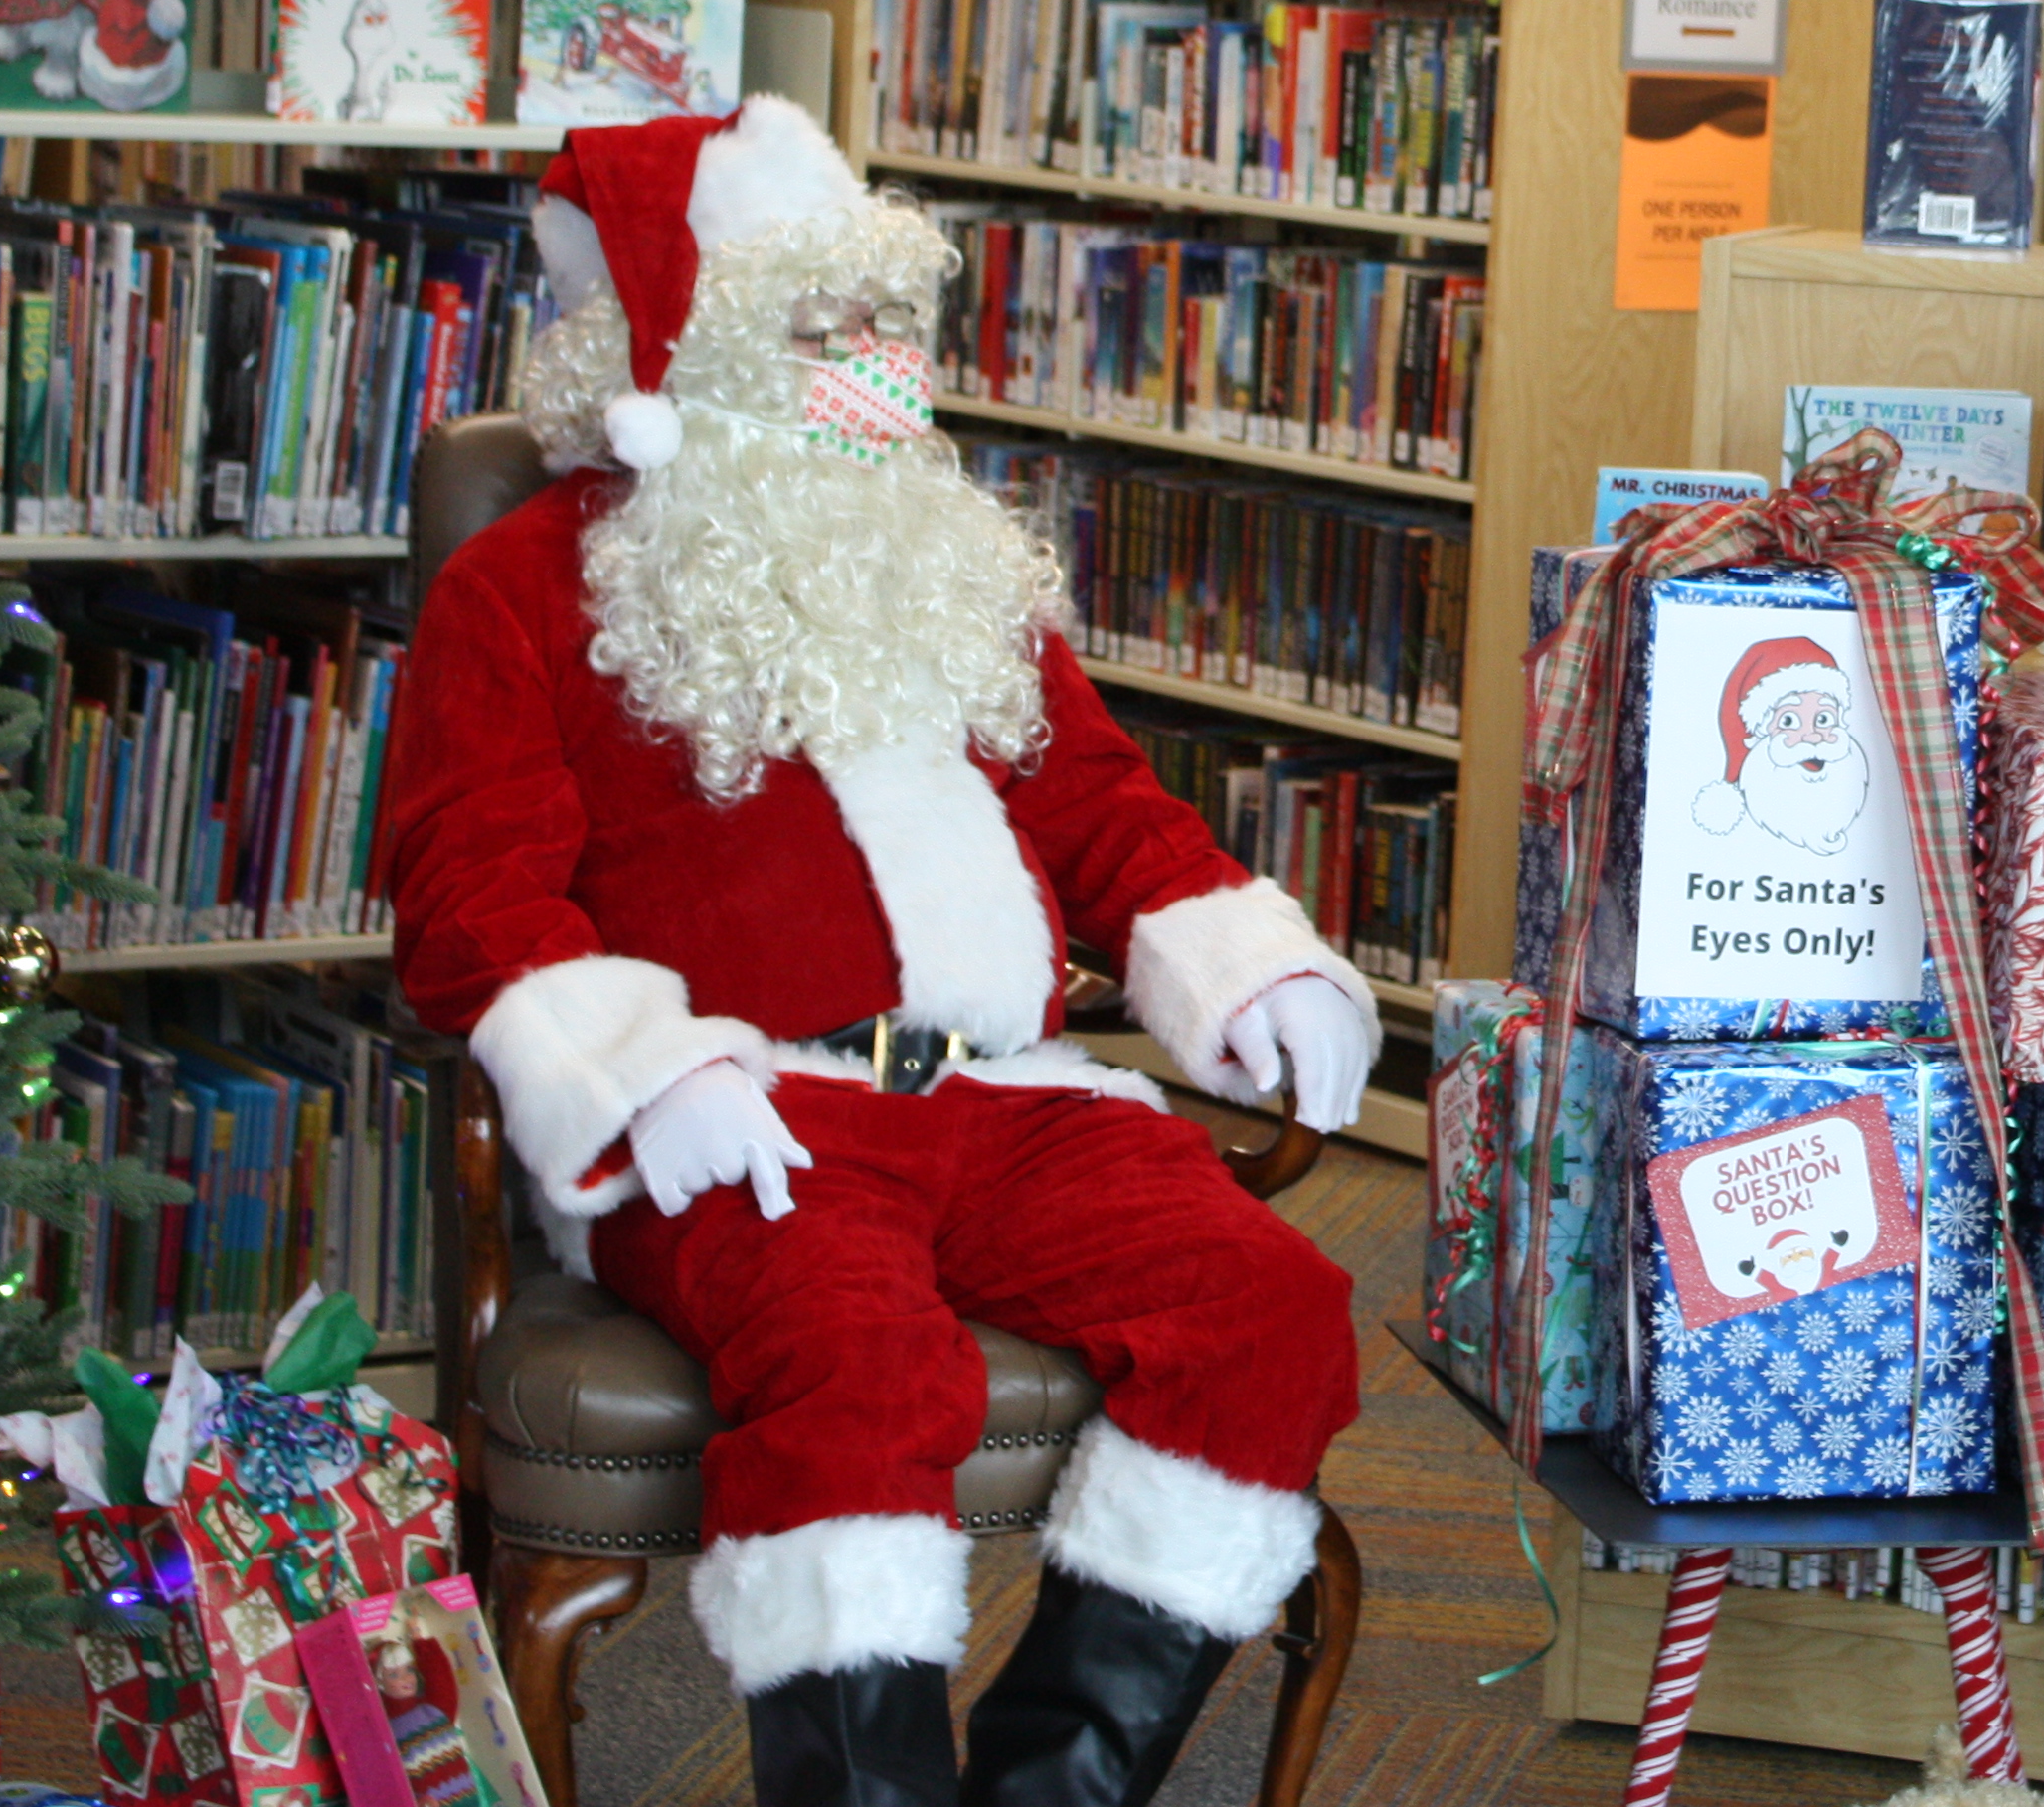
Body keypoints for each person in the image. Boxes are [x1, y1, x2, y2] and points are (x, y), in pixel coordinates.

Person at [379, 99, 1380, 1807]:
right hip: (750, 1119)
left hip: (1010, 1100)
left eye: (883, 318)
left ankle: (1056, 1789)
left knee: (1272, 1310)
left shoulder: (943, 557)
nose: (878, 360)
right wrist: (642, 1071)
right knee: (862, 1370)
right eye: (821, 323)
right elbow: (469, 891)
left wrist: (1247, 954)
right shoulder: (526, 590)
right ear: (683, 349)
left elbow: (1098, 804)